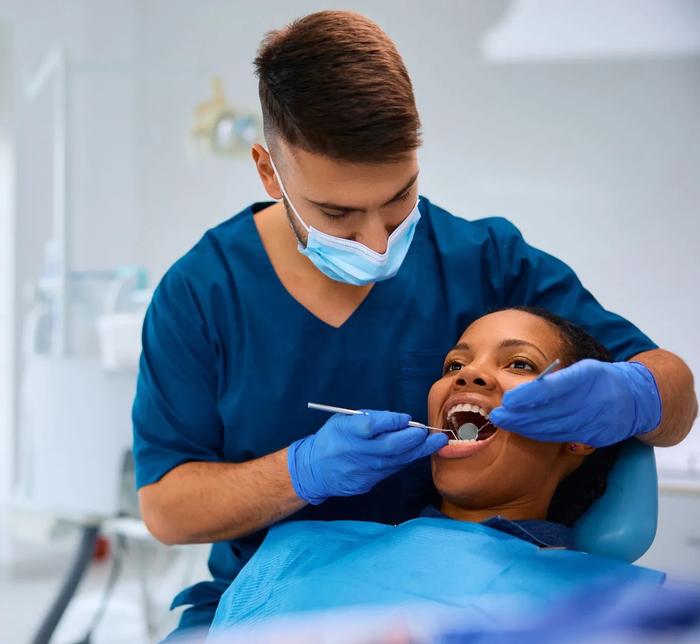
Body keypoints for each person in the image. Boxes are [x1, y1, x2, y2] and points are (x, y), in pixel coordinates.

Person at [131, 10, 697, 640]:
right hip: (276, 596)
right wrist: (302, 471)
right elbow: (166, 510)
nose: (376, 243)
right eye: (339, 213)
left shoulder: (485, 262)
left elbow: (673, 394)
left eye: (399, 199)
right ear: (270, 172)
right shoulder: (203, 294)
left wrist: (633, 394)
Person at [206, 308, 665, 634]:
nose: (468, 376)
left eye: (519, 363)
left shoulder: (621, 610)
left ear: (581, 430)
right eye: (455, 364)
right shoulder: (297, 551)